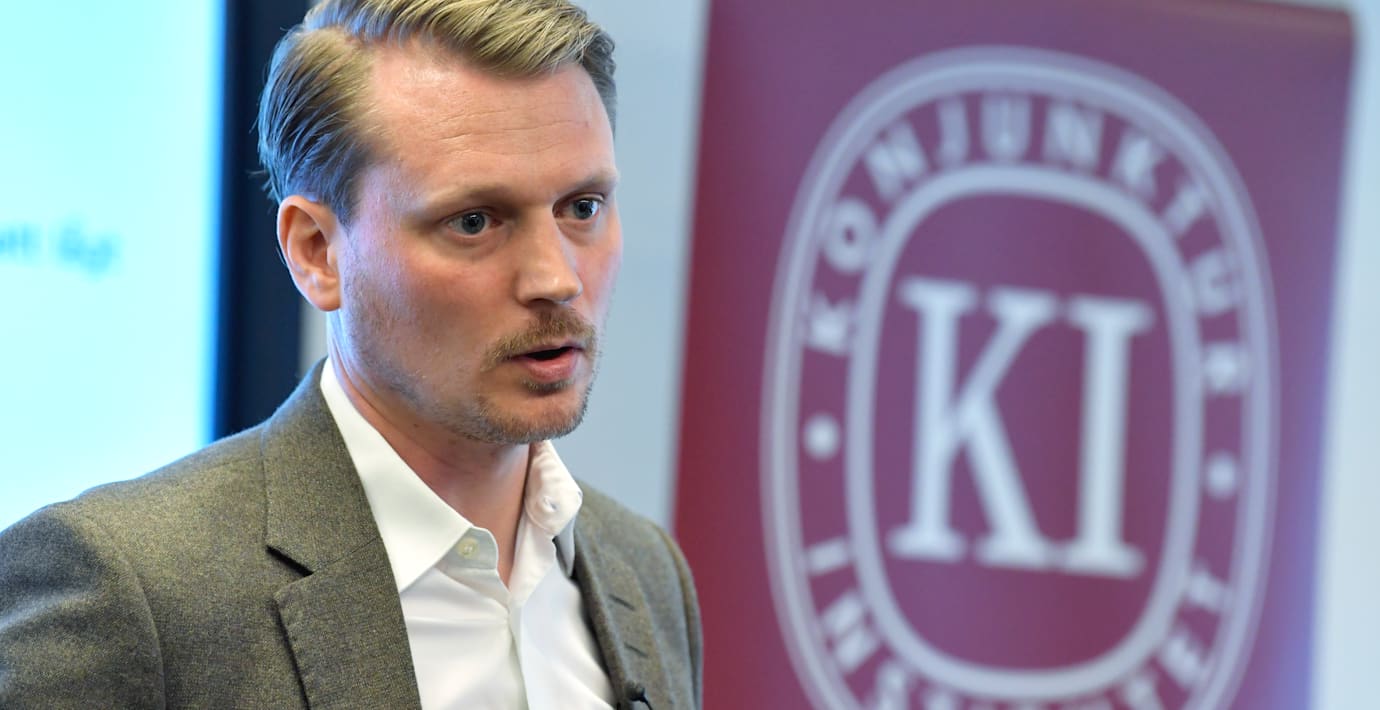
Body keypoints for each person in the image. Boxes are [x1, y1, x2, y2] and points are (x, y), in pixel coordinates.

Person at [0, 0, 701, 707]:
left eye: (582, 207)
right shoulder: (130, 592)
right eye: (473, 222)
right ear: (316, 252)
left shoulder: (644, 572)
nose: (556, 279)